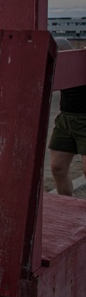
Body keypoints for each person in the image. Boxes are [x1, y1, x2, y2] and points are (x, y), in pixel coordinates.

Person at [49, 37, 86, 196]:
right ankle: (67, 204)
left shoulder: (82, 61)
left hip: (85, 118)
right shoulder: (56, 66)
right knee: (58, 168)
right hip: (65, 119)